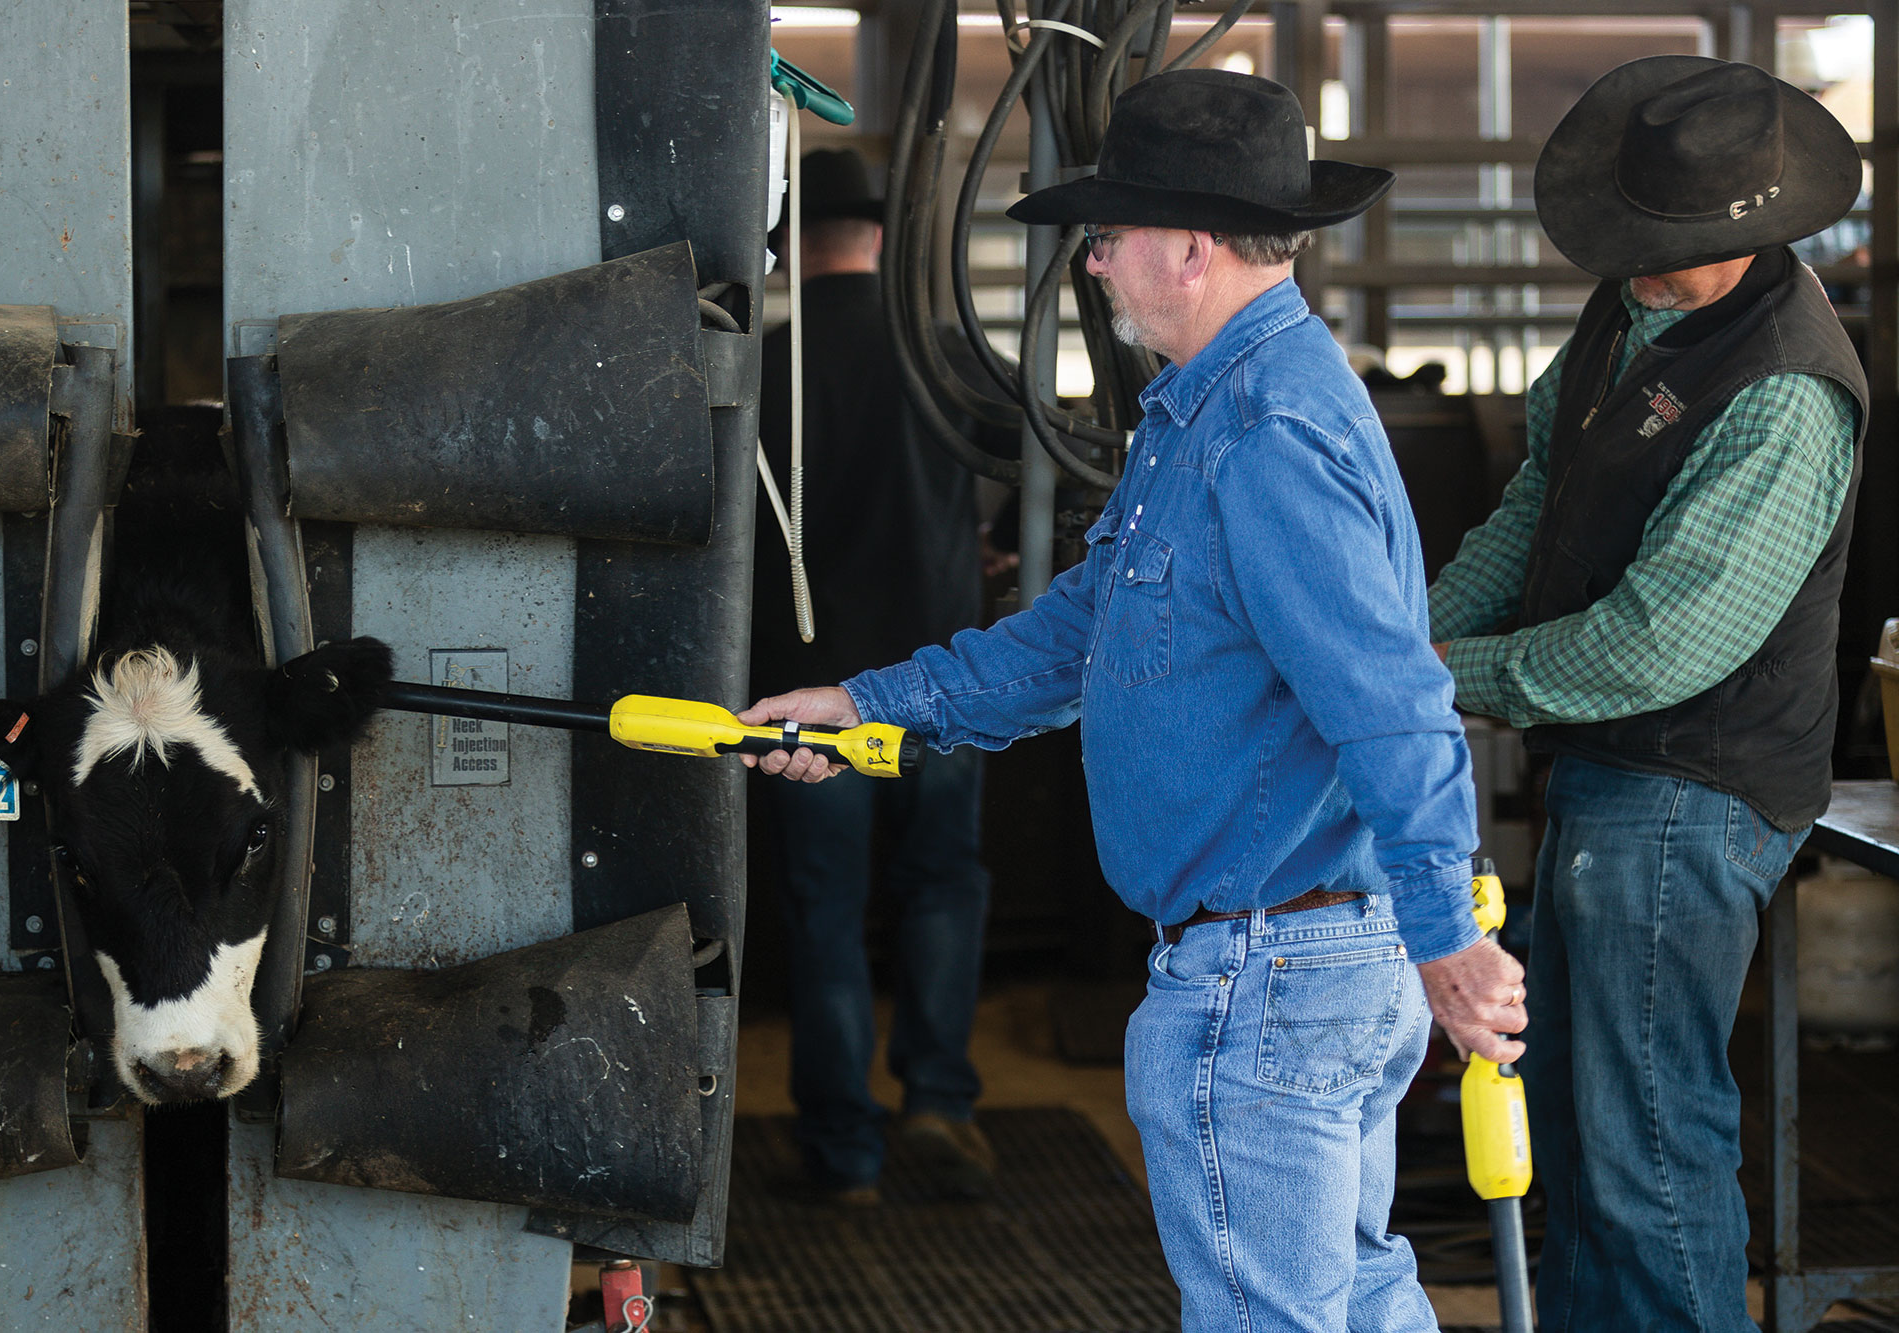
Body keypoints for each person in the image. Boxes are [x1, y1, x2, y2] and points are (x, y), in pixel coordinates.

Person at [743, 72, 1525, 1330]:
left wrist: (1447, 931)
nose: (1093, 266)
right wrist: (869, 706)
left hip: (1271, 972)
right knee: (1348, 1305)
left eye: (1104, 238)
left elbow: (1391, 698)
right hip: (1288, 961)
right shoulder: (1198, 412)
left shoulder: (1268, 429)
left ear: (1189, 245)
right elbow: (1079, 632)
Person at [1427, 57, 1866, 1333]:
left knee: (1645, 1146)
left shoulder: (1780, 388)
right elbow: (1532, 506)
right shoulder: (1627, 311)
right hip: (1609, 773)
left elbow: (1655, 647)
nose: (1637, 263)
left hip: (1692, 788)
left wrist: (1440, 677)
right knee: (1571, 1120)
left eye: (1664, 247)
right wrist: (1407, 642)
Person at [751, 146, 1000, 1207]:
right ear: (883, 239)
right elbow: (999, 497)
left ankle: (844, 1150)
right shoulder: (946, 360)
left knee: (826, 912)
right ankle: (938, 1100)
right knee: (941, 884)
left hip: (812, 691)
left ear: (787, 247)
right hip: (942, 674)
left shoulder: (761, 367)